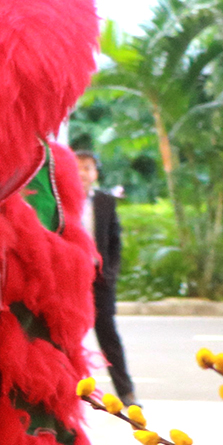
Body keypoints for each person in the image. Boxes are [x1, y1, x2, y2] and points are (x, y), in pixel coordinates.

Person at [76, 150, 135, 404]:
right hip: (69, 281)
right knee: (67, 339)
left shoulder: (105, 202)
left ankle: (127, 394)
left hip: (99, 281)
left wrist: (110, 273)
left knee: (109, 337)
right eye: (77, 167)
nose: (82, 173)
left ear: (95, 173)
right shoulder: (58, 200)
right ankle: (68, 393)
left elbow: (114, 242)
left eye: (88, 168)